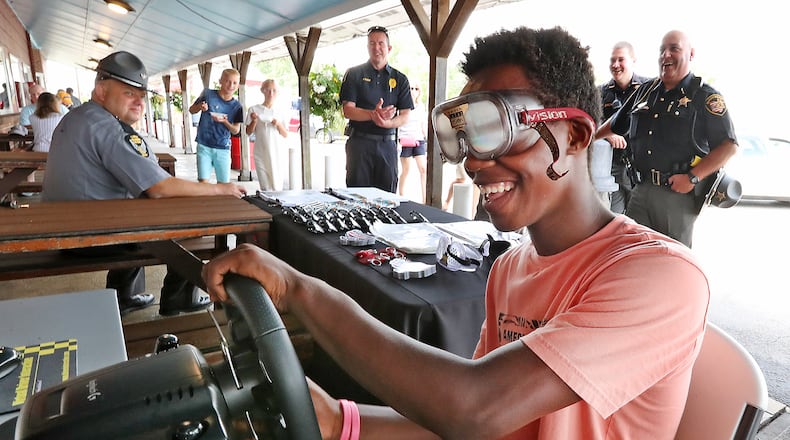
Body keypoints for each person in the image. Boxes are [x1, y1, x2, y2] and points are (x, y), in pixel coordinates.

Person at [203, 26, 710, 439]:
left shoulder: (662, 276)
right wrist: (341, 420)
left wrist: (297, 289)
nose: (474, 161)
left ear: (574, 135)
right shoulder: (510, 267)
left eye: (494, 131)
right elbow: (472, 424)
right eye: (461, 139)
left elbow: (474, 407)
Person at [42, 51, 247, 316]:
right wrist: (221, 188)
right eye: (129, 93)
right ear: (102, 91)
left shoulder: (79, 116)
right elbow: (159, 188)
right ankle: (177, 298)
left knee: (136, 207)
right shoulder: (108, 129)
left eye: (141, 95)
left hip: (64, 225)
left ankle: (124, 296)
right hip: (89, 237)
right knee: (194, 219)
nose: (139, 101)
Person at [597, 30, 738, 247]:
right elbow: (616, 124)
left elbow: (728, 146)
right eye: (662, 50)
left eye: (674, 48)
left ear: (691, 54)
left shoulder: (704, 96)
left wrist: (692, 178)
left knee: (672, 261)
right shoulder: (645, 91)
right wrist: (587, 138)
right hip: (640, 190)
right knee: (632, 254)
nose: (666, 55)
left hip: (676, 195)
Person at [339, 25, 413, 193]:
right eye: (372, 43)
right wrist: (373, 115)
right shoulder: (353, 74)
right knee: (357, 197)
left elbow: (405, 115)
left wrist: (387, 123)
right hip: (359, 144)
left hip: (387, 145)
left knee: (387, 198)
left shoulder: (400, 79)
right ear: (367, 47)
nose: (376, 47)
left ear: (389, 48)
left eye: (380, 43)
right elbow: (348, 110)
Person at [598, 41, 650, 214]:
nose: (615, 65)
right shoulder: (601, 93)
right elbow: (588, 121)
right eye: (612, 60)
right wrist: (608, 134)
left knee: (641, 222)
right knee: (616, 220)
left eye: (621, 59)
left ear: (633, 60)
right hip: (614, 169)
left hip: (643, 169)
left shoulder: (648, 89)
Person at [189, 68, 243, 184]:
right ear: (220, 81)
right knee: (203, 183)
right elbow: (191, 110)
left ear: (238, 85)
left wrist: (225, 122)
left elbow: (235, 130)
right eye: (227, 81)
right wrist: (200, 107)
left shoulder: (237, 106)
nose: (231, 85)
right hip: (204, 145)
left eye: (234, 83)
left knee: (224, 185)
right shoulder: (208, 94)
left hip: (223, 148)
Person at [245, 79, 288, 191]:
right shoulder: (254, 109)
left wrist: (278, 124)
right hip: (260, 151)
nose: (271, 93)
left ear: (278, 92)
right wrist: (254, 121)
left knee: (277, 185)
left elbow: (285, 134)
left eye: (274, 90)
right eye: (268, 90)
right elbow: (248, 132)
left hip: (277, 152)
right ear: (262, 91)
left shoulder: (281, 111)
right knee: (265, 186)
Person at [397, 84, 427, 202]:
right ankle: (401, 195)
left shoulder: (421, 106)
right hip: (405, 139)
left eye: (416, 88)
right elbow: (398, 123)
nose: (413, 91)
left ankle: (425, 199)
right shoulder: (402, 106)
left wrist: (427, 137)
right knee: (406, 170)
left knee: (423, 169)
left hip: (418, 139)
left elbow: (422, 123)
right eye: (411, 88)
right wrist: (398, 141)